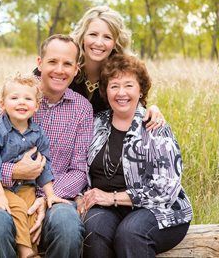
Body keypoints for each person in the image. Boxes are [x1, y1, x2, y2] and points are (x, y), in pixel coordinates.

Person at [0, 34, 93, 258]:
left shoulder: (82, 108)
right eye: (52, 62)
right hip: (7, 192)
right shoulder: (14, 100)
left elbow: (79, 170)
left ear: (76, 70)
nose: (59, 70)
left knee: (67, 223)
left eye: (67, 64)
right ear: (39, 63)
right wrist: (13, 171)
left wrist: (45, 198)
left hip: (54, 197)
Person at [77, 54, 193, 258]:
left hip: (157, 209)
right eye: (114, 86)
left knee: (131, 233)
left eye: (128, 85)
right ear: (105, 91)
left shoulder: (154, 127)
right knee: (93, 229)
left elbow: (165, 189)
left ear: (140, 90)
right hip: (107, 208)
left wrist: (112, 197)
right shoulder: (96, 123)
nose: (121, 93)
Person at [0, 74, 69, 258]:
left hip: (25, 187)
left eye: (27, 98)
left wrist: (50, 194)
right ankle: (26, 252)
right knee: (18, 208)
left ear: (36, 106)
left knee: (32, 212)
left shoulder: (37, 133)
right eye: (14, 98)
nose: (21, 102)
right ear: (2, 105)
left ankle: (32, 250)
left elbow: (44, 165)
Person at [69, 5, 165, 130]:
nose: (99, 43)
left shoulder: (122, 71)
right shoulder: (66, 65)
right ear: (83, 37)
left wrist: (153, 109)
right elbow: (37, 85)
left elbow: (134, 105)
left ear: (115, 42)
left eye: (107, 37)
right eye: (93, 34)